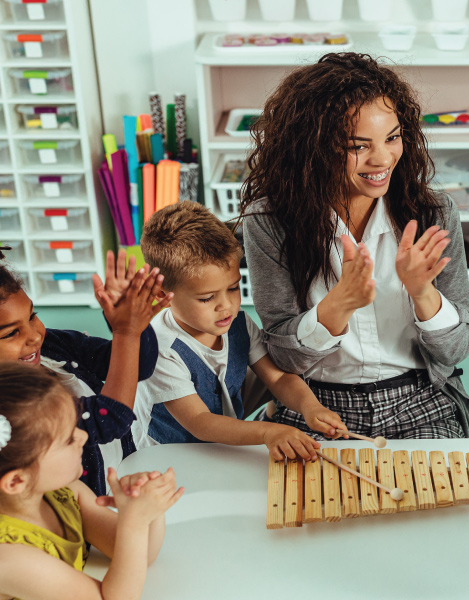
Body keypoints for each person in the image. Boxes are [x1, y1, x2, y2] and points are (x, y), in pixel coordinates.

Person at [240, 52, 469, 440]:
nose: (382, 158)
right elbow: (285, 358)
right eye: (357, 145)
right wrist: (340, 304)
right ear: (312, 146)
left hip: (419, 399)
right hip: (315, 403)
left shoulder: (433, 211)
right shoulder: (269, 221)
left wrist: (423, 292)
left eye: (392, 137)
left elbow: (456, 350)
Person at [134, 202, 347, 461]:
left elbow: (277, 378)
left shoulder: (238, 324)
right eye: (207, 298)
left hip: (218, 449)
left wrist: (310, 407)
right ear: (162, 294)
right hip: (168, 457)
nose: (226, 306)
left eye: (233, 288)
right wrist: (269, 433)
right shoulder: (160, 348)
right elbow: (200, 422)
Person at [0, 363, 184, 599]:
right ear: (16, 481)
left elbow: (142, 553)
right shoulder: (11, 558)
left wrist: (143, 506)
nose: (84, 436)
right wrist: (134, 522)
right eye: (68, 439)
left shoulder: (65, 493)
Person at [0, 246, 168, 496]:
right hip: (83, 516)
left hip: (123, 481)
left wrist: (133, 324)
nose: (35, 336)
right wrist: (126, 332)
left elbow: (137, 366)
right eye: (12, 332)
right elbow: (109, 419)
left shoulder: (53, 346)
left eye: (32, 316)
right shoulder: (10, 407)